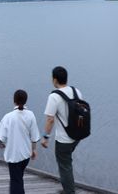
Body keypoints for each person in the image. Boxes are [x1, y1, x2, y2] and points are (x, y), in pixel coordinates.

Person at [41, 66, 83, 194]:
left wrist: (45, 137)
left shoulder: (54, 96)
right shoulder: (77, 91)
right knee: (67, 163)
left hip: (63, 140)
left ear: (54, 80)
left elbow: (50, 120)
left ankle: (69, 191)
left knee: (64, 167)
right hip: (77, 136)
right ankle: (68, 188)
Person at [0, 89, 40, 194]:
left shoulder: (8, 117)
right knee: (19, 178)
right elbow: (34, 137)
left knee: (16, 181)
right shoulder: (30, 115)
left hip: (13, 156)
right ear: (26, 101)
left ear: (14, 101)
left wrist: (1, 145)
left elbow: (0, 139)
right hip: (26, 155)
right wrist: (34, 150)